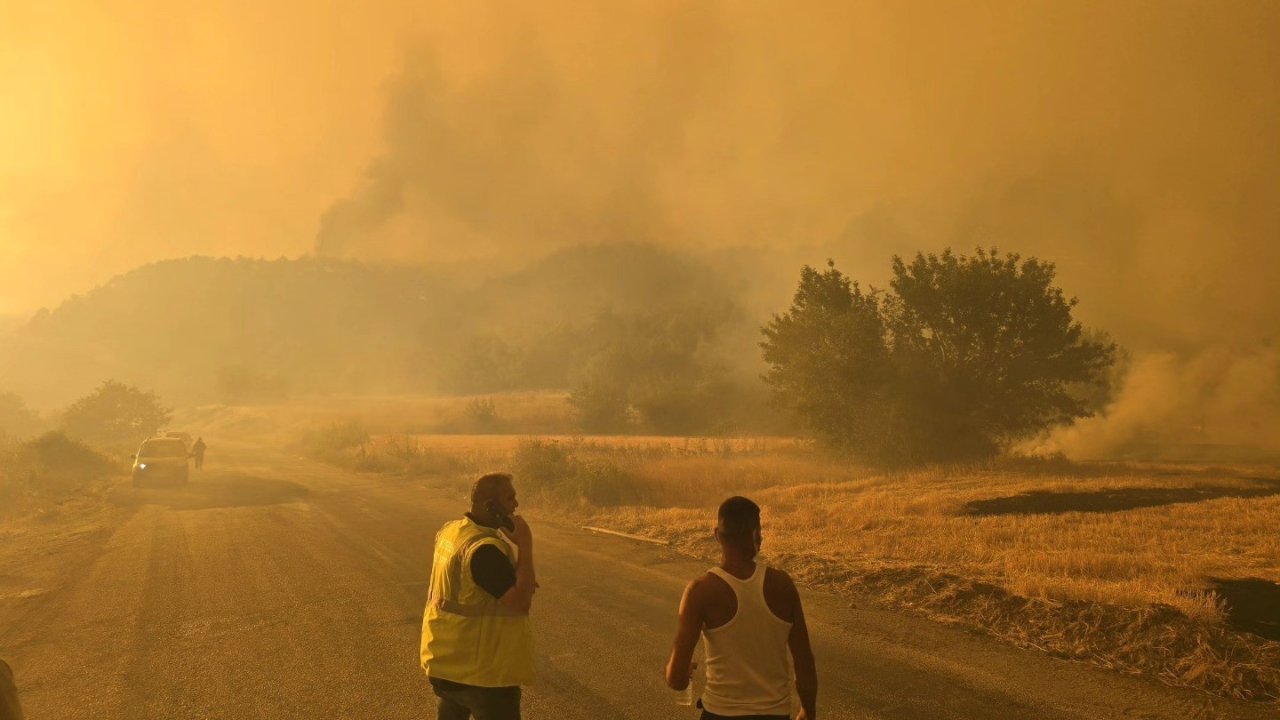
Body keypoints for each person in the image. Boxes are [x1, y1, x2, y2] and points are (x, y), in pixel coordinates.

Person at [666, 496, 817, 720]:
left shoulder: (700, 591)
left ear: (717, 534)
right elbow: (804, 663)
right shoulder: (783, 585)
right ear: (757, 536)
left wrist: (683, 674)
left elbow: (676, 680)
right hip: (774, 715)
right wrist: (808, 711)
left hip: (719, 714)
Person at [421, 472, 537, 720]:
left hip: (446, 665)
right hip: (482, 675)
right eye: (510, 498)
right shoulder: (484, 550)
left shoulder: (452, 532)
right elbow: (520, 602)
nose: (516, 504)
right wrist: (525, 546)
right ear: (490, 506)